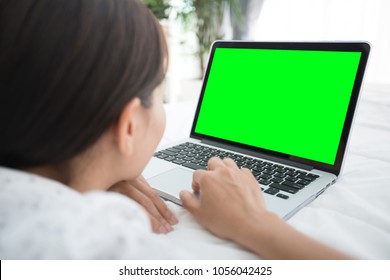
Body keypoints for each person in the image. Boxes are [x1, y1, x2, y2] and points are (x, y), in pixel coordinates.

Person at [0, 0, 349, 259]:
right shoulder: (101, 239)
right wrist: (252, 221)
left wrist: (94, 171)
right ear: (129, 126)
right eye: (160, 92)